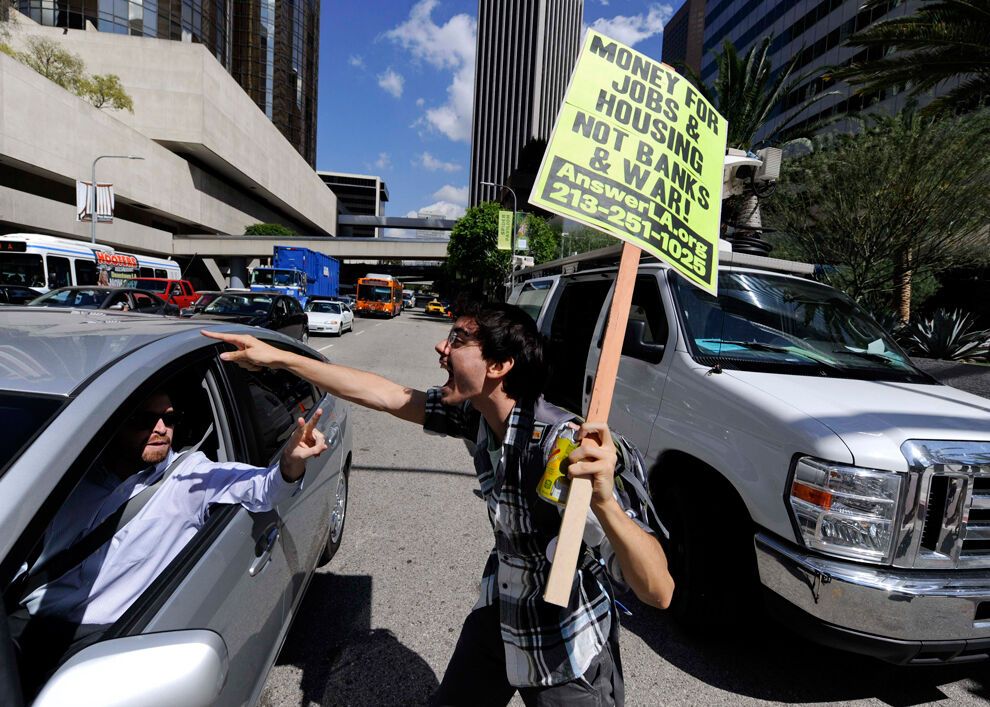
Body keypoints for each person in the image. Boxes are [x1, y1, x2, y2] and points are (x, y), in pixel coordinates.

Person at [204, 301, 674, 706]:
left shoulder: (562, 447)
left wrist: (607, 502)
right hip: (503, 608)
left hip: (562, 643)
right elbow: (386, 394)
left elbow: (659, 590)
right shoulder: (476, 417)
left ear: (499, 365)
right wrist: (280, 358)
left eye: (458, 339)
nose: (440, 348)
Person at [10, 388, 327, 693]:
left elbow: (263, 488)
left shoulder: (189, 478)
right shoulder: (72, 475)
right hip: (24, 617)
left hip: (95, 640)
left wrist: (290, 462)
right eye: (145, 420)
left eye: (170, 419)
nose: (161, 429)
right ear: (115, 424)